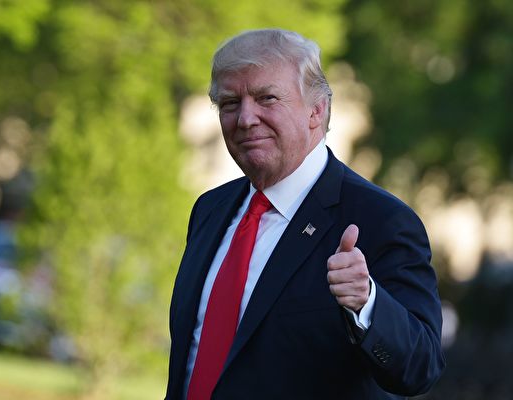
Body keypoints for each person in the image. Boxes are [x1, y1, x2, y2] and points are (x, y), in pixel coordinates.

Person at [166, 29, 445, 400]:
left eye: (266, 98)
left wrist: (367, 304)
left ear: (317, 110)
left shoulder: (380, 220)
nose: (245, 118)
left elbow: (420, 367)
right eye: (230, 103)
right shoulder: (210, 209)